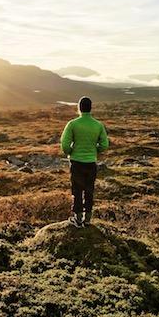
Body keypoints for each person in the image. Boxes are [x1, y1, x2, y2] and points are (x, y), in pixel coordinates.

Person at [60, 96, 109, 228]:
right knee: (89, 191)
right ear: (90, 108)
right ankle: (88, 219)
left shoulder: (72, 124)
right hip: (91, 163)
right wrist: (94, 151)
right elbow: (104, 144)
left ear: (79, 108)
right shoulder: (98, 125)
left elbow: (64, 144)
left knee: (77, 190)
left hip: (76, 162)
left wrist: (71, 152)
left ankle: (78, 218)